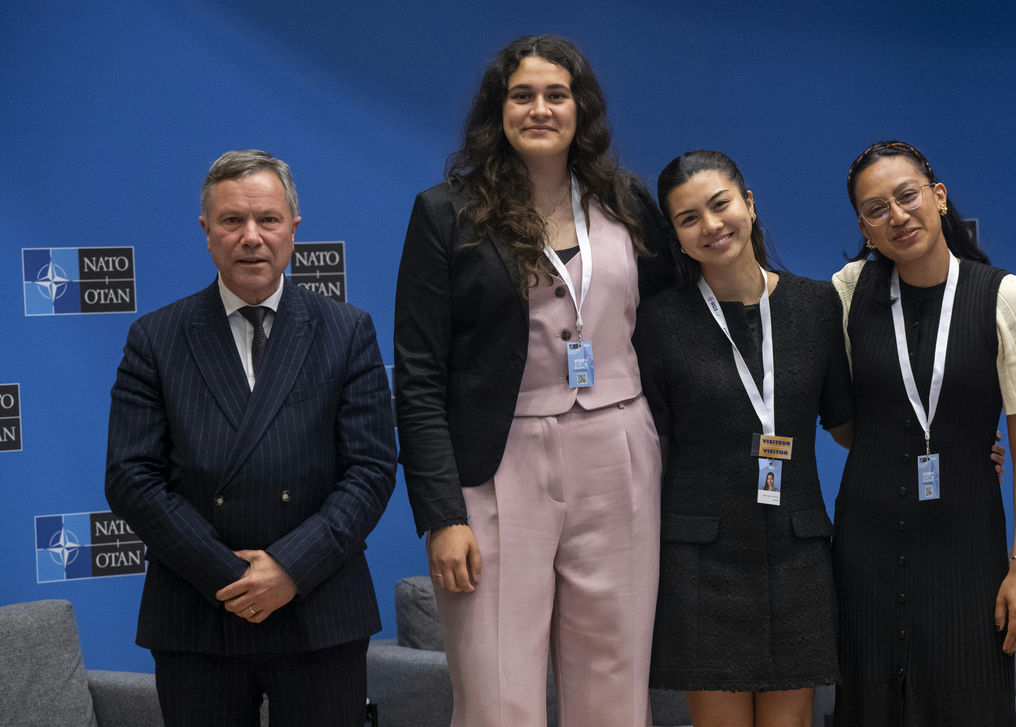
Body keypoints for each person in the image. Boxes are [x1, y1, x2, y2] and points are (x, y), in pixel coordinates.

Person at [392, 35, 673, 727]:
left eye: (556, 95)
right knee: (495, 690)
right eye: (522, 96)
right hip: (498, 461)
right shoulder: (445, 211)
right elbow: (420, 374)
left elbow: (670, 332)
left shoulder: (628, 199)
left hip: (619, 452)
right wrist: (442, 514)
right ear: (498, 111)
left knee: (614, 679)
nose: (539, 109)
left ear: (582, 110)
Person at [104, 149, 398, 726]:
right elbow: (131, 478)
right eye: (232, 221)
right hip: (198, 610)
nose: (251, 237)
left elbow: (370, 470)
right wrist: (231, 578)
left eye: (267, 219)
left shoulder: (347, 331)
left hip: (319, 607)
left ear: (293, 228)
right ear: (206, 232)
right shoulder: (156, 337)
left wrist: (289, 569)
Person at [831, 140, 1016, 725]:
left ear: (938, 198)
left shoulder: (1006, 297)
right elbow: (843, 425)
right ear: (864, 227)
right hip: (865, 547)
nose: (897, 216)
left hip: (966, 546)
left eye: (907, 196)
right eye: (876, 208)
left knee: (969, 702)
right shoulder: (846, 292)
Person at [634, 150, 853, 727]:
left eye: (720, 204)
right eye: (688, 219)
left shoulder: (815, 305)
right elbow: (644, 445)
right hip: (703, 557)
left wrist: (949, 447)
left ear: (749, 204)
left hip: (796, 550)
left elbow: (850, 425)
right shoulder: (658, 322)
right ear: (676, 237)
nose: (710, 226)